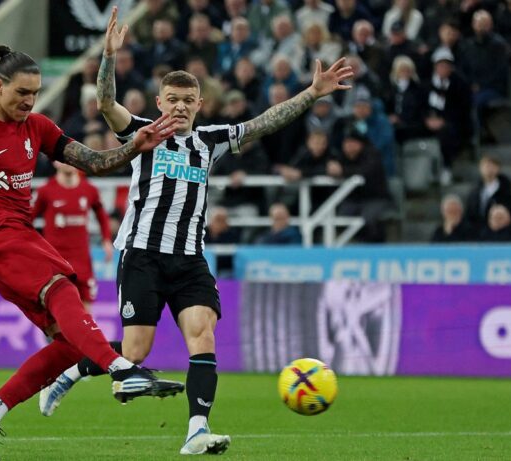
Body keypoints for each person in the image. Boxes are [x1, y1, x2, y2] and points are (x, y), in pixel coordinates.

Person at [38, 6, 353, 456]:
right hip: (142, 255)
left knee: (203, 336)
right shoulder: (141, 133)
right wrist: (108, 56)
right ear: (160, 102)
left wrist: (311, 93)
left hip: (189, 259)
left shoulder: (210, 141)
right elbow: (106, 104)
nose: (181, 106)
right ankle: (69, 372)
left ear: (200, 105)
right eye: (173, 99)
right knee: (136, 351)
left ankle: (196, 431)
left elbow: (265, 122)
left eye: (189, 100)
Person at [0, 46, 183, 461]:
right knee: (61, 288)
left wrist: (136, 145)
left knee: (70, 345)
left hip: (21, 235)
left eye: (35, 93)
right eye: (22, 93)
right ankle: (122, 369)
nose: (29, 101)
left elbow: (93, 162)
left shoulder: (37, 126)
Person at [32, 161, 114, 310]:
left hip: (82, 260)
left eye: (71, 158)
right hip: (55, 261)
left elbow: (102, 215)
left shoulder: (89, 190)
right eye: (63, 158)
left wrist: (107, 240)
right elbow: (28, 219)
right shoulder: (45, 191)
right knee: (54, 309)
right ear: (55, 162)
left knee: (86, 308)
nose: (68, 162)